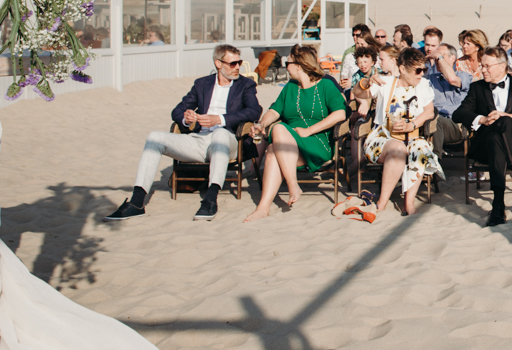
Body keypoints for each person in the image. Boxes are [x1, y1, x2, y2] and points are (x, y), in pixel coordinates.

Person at [106, 45, 262, 222]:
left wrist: (219, 119)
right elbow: (177, 111)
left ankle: (210, 199)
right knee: (154, 137)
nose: (237, 67)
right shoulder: (202, 84)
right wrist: (187, 119)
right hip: (199, 140)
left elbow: (254, 111)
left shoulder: (245, 85)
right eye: (233, 63)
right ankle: (136, 202)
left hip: (229, 141)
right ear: (218, 63)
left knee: (220, 134)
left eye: (239, 62)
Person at [244, 45, 348, 222]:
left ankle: (292, 185)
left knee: (278, 129)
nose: (285, 66)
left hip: (316, 141)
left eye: (288, 63)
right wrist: (262, 124)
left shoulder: (326, 85)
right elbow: (274, 111)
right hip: (289, 143)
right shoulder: (290, 87)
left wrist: (309, 130)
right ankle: (263, 207)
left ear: (299, 65)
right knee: (272, 151)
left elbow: (340, 114)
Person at [452, 46, 512, 227]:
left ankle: (498, 205)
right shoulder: (477, 88)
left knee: (502, 128)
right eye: (482, 66)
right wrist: (482, 119)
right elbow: (458, 114)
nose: (482, 70)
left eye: (487, 66)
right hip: (484, 146)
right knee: (496, 134)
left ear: (502, 66)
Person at [353, 46, 439, 218]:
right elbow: (358, 93)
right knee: (398, 149)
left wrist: (412, 125)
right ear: (402, 69)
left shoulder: (423, 85)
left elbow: (429, 112)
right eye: (417, 70)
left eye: (423, 70)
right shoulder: (385, 83)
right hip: (383, 136)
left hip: (411, 134)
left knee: (421, 148)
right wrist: (366, 82)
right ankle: (382, 203)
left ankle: (409, 203)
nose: (421, 74)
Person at [426, 42, 472, 156]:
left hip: (456, 124)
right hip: (432, 122)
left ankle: (434, 160)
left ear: (453, 58)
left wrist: (438, 56)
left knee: (436, 121)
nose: (437, 60)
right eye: (436, 57)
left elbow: (452, 79)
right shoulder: (430, 79)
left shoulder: (464, 76)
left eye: (441, 56)